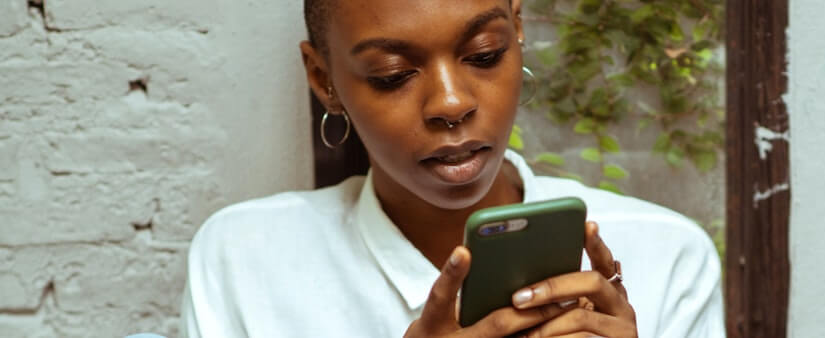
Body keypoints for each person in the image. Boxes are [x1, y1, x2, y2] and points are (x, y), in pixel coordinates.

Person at [180, 0, 723, 337]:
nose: (450, 102)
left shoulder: (665, 257)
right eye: (393, 74)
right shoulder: (245, 259)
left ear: (517, 29)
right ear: (325, 79)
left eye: (484, 54)